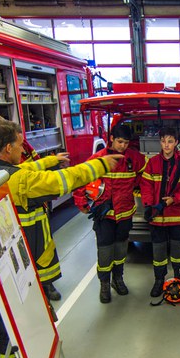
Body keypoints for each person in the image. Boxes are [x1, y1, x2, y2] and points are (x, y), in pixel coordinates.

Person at [0, 119, 122, 358]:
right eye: (20, 146)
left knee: (6, 327)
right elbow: (63, 181)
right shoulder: (15, 179)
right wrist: (101, 165)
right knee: (27, 326)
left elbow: (23, 170)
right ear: (7, 148)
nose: (23, 151)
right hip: (21, 268)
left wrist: (49, 160)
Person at [0, 114, 63, 301]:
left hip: (34, 203)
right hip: (12, 210)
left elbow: (31, 164)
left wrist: (48, 163)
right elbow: (17, 173)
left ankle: (47, 285)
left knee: (42, 249)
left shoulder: (22, 144)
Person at [73, 124, 147, 303]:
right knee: (105, 250)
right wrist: (81, 202)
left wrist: (136, 184)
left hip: (125, 213)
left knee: (121, 248)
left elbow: (145, 172)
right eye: (120, 142)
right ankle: (104, 285)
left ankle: (118, 279)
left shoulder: (134, 158)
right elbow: (81, 178)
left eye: (126, 143)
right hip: (104, 215)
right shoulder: (98, 159)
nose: (122, 146)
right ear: (111, 138)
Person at [141, 127, 180, 297]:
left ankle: (178, 280)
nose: (166, 145)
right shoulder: (152, 163)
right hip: (157, 216)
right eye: (164, 141)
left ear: (176, 143)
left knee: (178, 251)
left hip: (178, 215)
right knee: (158, 252)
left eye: (170, 141)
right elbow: (146, 185)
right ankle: (159, 280)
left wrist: (175, 199)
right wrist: (150, 205)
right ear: (160, 142)